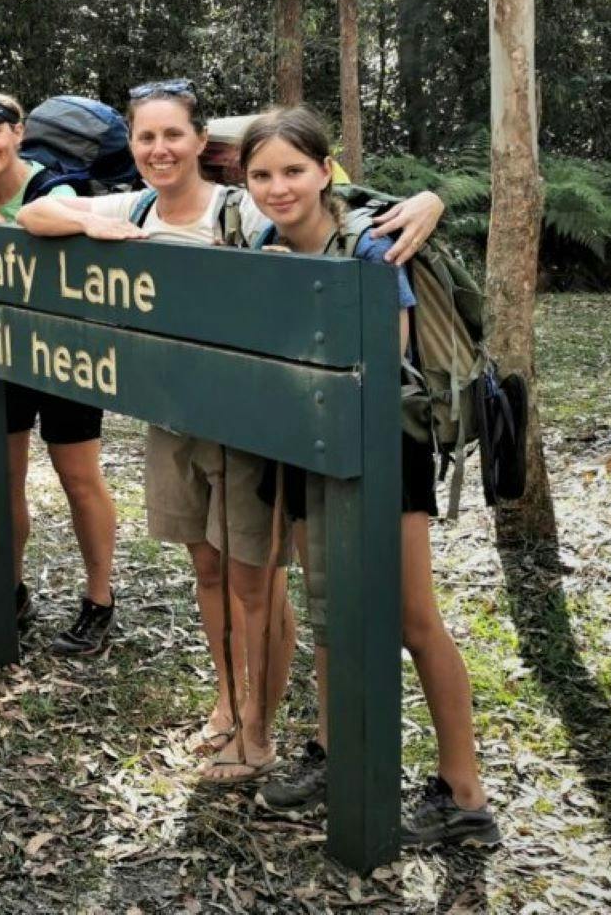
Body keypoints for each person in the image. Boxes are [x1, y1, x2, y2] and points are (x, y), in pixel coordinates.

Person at [15, 79, 448, 783]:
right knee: (207, 570)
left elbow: (335, 199)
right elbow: (35, 213)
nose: (160, 149)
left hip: (249, 426)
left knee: (257, 584)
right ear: (132, 145)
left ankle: (260, 728)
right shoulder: (135, 204)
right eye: (146, 137)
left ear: (198, 140)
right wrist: (92, 224)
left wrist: (431, 200)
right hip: (173, 416)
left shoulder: (243, 205)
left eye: (173, 134)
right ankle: (226, 703)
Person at [237, 106, 499, 847]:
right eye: (263, 174)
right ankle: (333, 749)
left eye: (294, 171)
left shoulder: (370, 243)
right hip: (302, 442)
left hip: (385, 447)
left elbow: (383, 355)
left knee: (413, 617)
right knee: (328, 610)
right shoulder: (259, 241)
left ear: (326, 172)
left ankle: (465, 791)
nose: (279, 187)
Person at [0, 91, 122, 656]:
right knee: (4, 477)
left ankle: (99, 599)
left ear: (19, 133)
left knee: (79, 478)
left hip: (63, 352)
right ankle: (10, 588)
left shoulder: (53, 189)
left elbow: (63, 245)